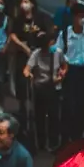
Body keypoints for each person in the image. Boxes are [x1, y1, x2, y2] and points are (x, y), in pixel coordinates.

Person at [56, 1, 84, 142]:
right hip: (70, 72)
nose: (83, 19)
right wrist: (62, 69)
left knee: (81, 107)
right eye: (80, 16)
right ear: (74, 17)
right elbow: (58, 52)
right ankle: (65, 138)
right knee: (68, 106)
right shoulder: (65, 34)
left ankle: (77, 137)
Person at [8, 0, 52, 121]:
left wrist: (44, 36)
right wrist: (23, 47)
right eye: (22, 2)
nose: (24, 4)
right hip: (23, 55)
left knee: (39, 82)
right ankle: (22, 107)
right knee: (22, 81)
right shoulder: (19, 20)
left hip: (38, 56)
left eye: (26, 1)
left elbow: (50, 31)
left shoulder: (41, 18)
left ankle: (37, 109)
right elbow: (13, 35)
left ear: (32, 4)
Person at [24, 24, 63, 153]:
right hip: (40, 88)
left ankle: (53, 143)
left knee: (54, 116)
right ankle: (40, 143)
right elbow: (27, 69)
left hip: (53, 88)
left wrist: (61, 75)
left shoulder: (57, 53)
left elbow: (65, 65)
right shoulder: (37, 54)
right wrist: (28, 74)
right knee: (39, 116)